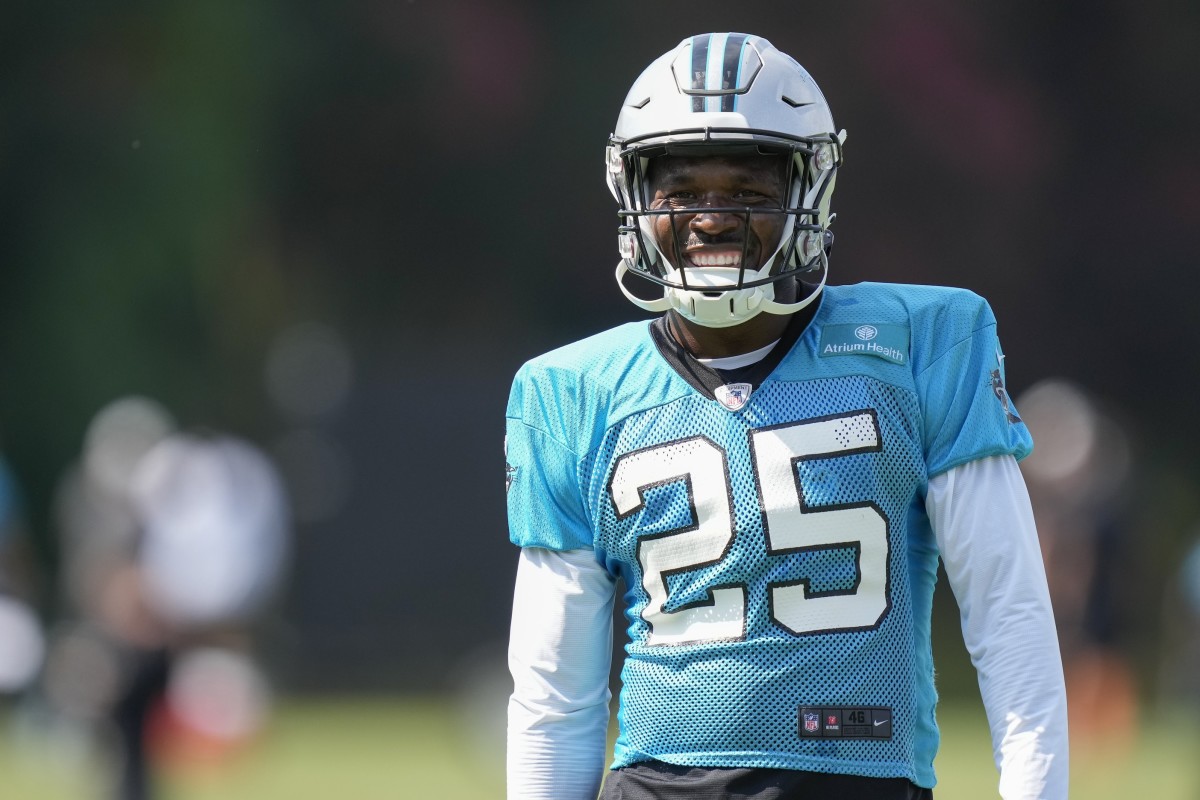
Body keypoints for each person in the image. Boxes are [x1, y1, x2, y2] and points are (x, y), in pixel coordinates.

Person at [504, 33, 1067, 800]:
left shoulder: (924, 346)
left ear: (811, 193)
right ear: (634, 195)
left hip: (858, 777)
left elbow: (1010, 621)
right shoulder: (573, 392)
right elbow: (555, 698)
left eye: (746, 188)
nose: (711, 216)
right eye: (682, 190)